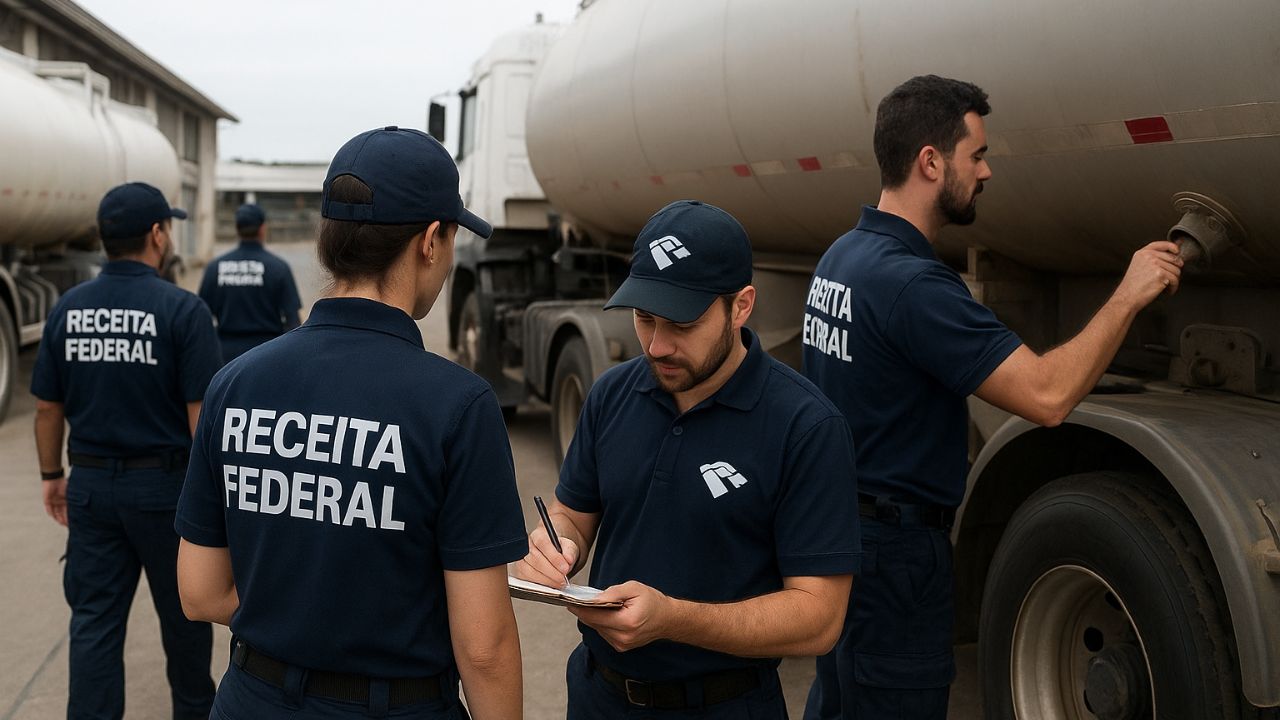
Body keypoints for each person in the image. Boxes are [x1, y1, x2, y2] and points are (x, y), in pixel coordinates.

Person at [801, 75, 1184, 719]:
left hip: (841, 540)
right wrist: (1130, 292)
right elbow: (1048, 394)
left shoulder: (842, 258)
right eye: (975, 154)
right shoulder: (914, 286)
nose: (986, 171)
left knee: (841, 703)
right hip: (895, 563)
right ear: (930, 160)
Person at [174, 126, 527, 720]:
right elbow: (484, 647)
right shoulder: (458, 405)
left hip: (251, 700)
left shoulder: (234, 384)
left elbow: (200, 591)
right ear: (431, 241)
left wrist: (297, 622)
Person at [513, 200, 861, 719]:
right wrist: (559, 542)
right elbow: (573, 513)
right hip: (597, 696)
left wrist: (674, 619)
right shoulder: (612, 394)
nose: (656, 345)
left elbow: (819, 618)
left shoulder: (805, 426)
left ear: (740, 307)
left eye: (681, 323)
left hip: (723, 703)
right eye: (645, 318)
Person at [31, 181, 220, 720]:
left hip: (90, 488)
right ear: (157, 235)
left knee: (93, 624)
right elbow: (199, 420)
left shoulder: (68, 308)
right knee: (185, 621)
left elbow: (47, 407)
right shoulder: (183, 311)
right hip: (165, 491)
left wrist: (52, 475)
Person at [198, 203, 303, 362]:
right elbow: (293, 322)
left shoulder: (215, 268)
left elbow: (201, 319)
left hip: (225, 357)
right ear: (262, 229)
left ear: (237, 228)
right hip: (267, 354)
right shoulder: (278, 268)